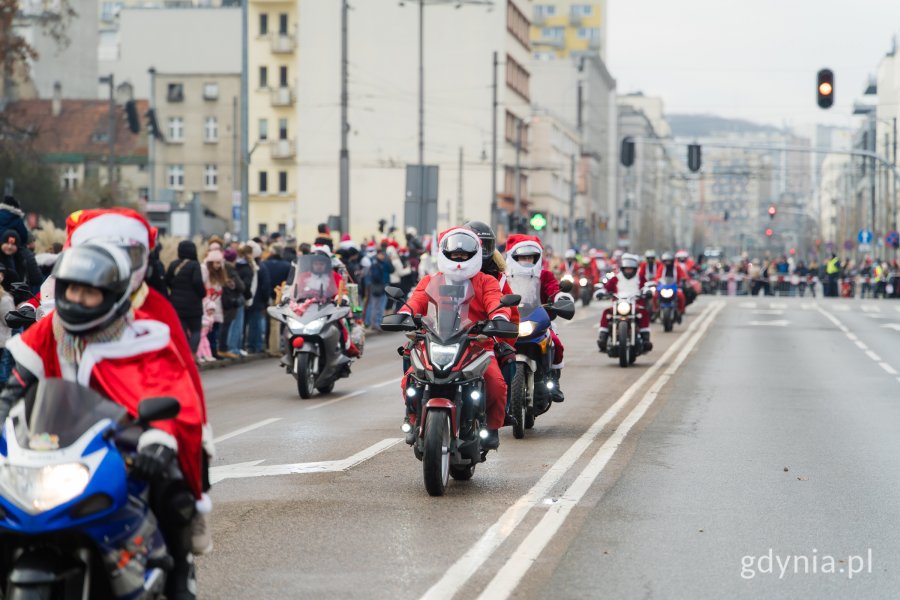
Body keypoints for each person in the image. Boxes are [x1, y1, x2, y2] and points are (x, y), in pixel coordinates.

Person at [1, 243, 204, 599]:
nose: (78, 299)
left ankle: (179, 573)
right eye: (72, 289)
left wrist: (158, 440)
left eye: (89, 292)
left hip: (123, 441)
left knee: (171, 486)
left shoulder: (140, 336)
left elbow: (166, 387)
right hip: (53, 444)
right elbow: (14, 390)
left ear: (112, 294)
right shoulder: (49, 331)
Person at [397, 227, 512, 449]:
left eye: (464, 255)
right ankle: (413, 418)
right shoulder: (431, 280)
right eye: (454, 254)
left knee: (496, 383)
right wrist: (404, 314)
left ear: (474, 255)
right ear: (444, 254)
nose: (459, 259)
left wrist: (499, 317)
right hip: (435, 341)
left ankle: (492, 428)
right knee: (409, 380)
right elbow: (417, 300)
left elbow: (495, 300)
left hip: (477, 343)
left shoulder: (486, 281)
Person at [505, 233, 572, 402]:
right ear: (514, 257)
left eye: (530, 257)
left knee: (556, 343)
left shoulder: (544, 275)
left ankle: (553, 380)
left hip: (538, 319)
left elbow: (553, 288)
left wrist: (560, 298)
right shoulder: (504, 276)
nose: (527, 260)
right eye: (522, 257)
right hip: (509, 321)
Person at [597, 253, 653, 353]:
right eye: (626, 269)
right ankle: (603, 338)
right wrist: (601, 292)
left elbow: (645, 287)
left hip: (635, 304)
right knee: (606, 312)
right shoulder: (616, 278)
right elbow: (606, 288)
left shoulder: (640, 277)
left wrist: (647, 291)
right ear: (623, 269)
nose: (628, 271)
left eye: (630, 269)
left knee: (644, 313)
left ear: (634, 269)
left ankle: (645, 339)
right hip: (618, 304)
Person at [166, 241, 206, 354]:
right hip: (193, 305)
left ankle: (185, 354)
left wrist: (175, 290)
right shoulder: (195, 265)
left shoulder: (173, 265)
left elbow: (167, 281)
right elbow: (197, 282)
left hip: (176, 305)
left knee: (182, 332)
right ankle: (192, 354)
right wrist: (202, 294)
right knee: (196, 331)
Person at [655, 252, 687, 318]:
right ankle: (655, 310)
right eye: (666, 261)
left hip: (675, 286)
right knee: (655, 295)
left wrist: (683, 279)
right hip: (663, 287)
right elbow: (657, 277)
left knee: (681, 296)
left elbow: (683, 275)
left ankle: (680, 310)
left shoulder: (677, 267)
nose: (668, 263)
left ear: (672, 261)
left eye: (669, 261)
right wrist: (656, 282)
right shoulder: (661, 268)